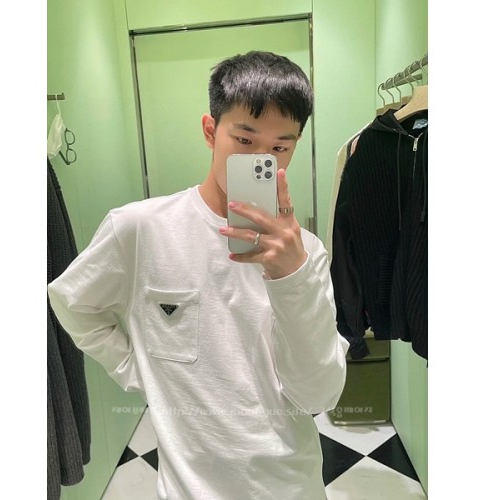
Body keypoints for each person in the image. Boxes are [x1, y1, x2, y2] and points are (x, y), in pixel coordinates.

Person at [48, 50, 349, 500]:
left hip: (291, 487)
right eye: (244, 140)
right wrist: (137, 369)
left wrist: (292, 278)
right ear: (210, 130)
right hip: (188, 489)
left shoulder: (307, 253)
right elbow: (72, 301)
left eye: (279, 148)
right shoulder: (141, 229)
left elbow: (318, 396)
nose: (261, 159)